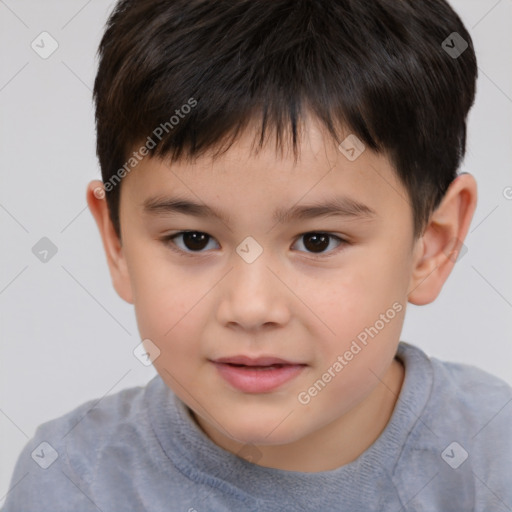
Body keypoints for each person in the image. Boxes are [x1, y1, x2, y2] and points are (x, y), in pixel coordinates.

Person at [3, 1, 511, 510]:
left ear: (434, 244)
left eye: (318, 241)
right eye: (193, 240)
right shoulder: (72, 480)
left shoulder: (494, 458)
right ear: (116, 241)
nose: (250, 308)